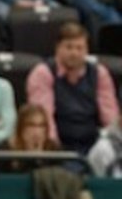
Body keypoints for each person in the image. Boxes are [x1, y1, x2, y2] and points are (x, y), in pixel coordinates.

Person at [26, 21, 119, 158]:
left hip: (94, 146)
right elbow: (45, 120)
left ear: (87, 50)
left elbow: (109, 117)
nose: (74, 53)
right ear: (58, 48)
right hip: (59, 147)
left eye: (79, 48)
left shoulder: (99, 73)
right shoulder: (43, 73)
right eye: (69, 47)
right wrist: (54, 152)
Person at [0, 101, 62, 171]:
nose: (37, 131)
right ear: (21, 128)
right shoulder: (6, 151)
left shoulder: (53, 150)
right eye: (31, 125)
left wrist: (39, 159)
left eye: (41, 126)